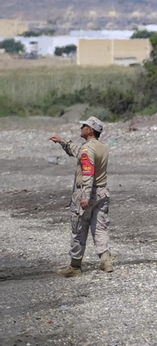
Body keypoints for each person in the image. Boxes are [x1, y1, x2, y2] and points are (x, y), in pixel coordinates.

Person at [50, 116, 111, 277]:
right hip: (102, 192)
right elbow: (78, 151)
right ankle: (106, 260)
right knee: (100, 227)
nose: (81, 128)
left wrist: (84, 195)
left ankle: (75, 266)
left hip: (87, 192)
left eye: (83, 126)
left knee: (78, 229)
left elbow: (88, 172)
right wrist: (63, 142)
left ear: (90, 130)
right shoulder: (102, 147)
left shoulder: (87, 150)